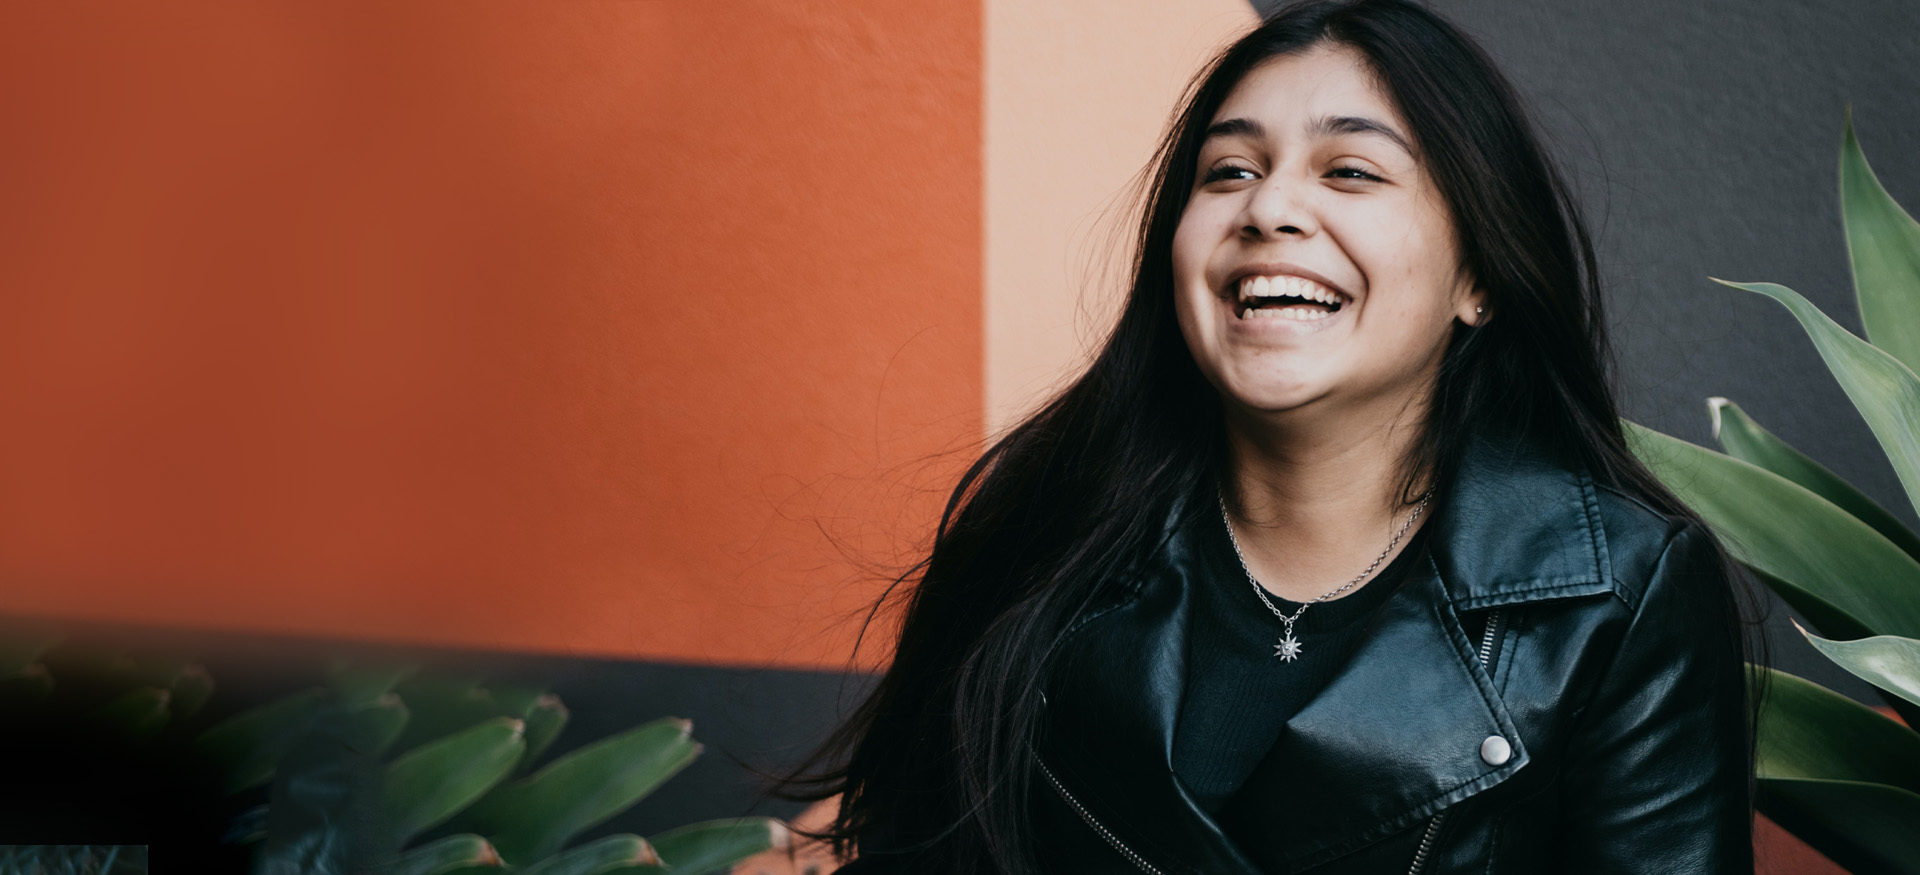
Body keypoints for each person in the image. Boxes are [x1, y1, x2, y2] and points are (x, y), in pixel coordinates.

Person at [772, 0, 1768, 871]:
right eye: (1230, 169)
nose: (1270, 208)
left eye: (1351, 171)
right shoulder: (1043, 523)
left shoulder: (1617, 594)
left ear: (1479, 278)